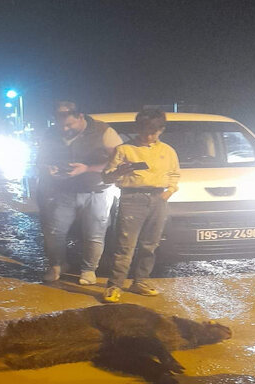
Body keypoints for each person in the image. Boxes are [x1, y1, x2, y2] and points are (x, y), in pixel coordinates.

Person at [36, 101, 122, 285]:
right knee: (54, 232)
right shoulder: (50, 133)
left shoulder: (103, 131)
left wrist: (88, 168)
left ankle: (88, 270)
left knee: (94, 234)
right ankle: (57, 265)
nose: (65, 129)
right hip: (62, 190)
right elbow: (39, 160)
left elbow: (119, 162)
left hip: (97, 190)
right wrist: (48, 168)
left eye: (70, 124)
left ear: (81, 117)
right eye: (62, 126)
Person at [101, 109, 180, 303]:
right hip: (131, 198)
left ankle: (141, 281)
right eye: (145, 131)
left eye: (154, 132)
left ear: (161, 130)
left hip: (158, 199)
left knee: (150, 245)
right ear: (137, 129)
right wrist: (118, 171)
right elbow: (106, 176)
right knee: (125, 246)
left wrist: (168, 192)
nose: (149, 136)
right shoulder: (124, 149)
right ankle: (115, 285)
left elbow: (174, 175)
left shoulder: (167, 151)